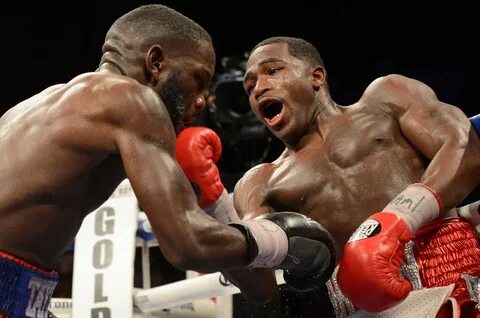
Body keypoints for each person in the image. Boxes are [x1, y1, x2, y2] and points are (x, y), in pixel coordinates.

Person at [0, 9, 338, 317]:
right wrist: (282, 240)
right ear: (156, 63)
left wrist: (214, 201)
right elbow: (186, 245)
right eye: (198, 79)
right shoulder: (132, 100)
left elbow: (254, 284)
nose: (202, 99)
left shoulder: (40, 106)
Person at [176, 36, 480, 317]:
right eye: (250, 85)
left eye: (273, 71)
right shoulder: (260, 183)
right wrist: (214, 205)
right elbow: (262, 289)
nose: (258, 88)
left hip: (449, 272)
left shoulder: (386, 98)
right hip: (361, 305)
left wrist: (400, 219)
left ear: (316, 77)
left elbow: (466, 146)